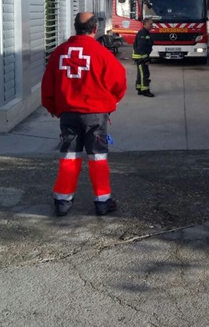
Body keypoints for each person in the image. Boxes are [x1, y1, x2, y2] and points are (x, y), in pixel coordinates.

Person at [41, 12, 127, 216]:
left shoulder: (59, 52)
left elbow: (47, 86)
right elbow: (119, 82)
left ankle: (62, 202)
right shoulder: (101, 53)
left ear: (75, 27)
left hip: (68, 115)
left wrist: (53, 107)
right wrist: (111, 102)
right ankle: (103, 202)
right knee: (97, 157)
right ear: (95, 29)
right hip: (96, 115)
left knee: (69, 156)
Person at [133, 17, 155, 97]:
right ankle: (145, 90)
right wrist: (146, 58)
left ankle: (139, 88)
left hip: (141, 56)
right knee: (145, 74)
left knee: (140, 73)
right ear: (145, 24)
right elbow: (141, 47)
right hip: (141, 57)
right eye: (150, 24)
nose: (152, 25)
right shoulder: (142, 33)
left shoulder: (146, 33)